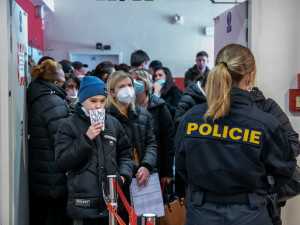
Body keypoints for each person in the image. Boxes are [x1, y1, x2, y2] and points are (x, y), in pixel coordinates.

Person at [175, 44, 296, 225]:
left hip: (202, 212)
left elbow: (182, 166)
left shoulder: (191, 119)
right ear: (250, 77)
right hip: (250, 214)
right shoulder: (265, 124)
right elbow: (284, 171)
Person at [55, 76, 133, 225]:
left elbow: (126, 153)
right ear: (82, 100)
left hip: (112, 203)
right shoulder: (67, 125)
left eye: (102, 101)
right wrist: (86, 138)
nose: (98, 106)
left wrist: (123, 176)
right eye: (93, 101)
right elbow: (63, 160)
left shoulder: (113, 123)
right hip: (83, 205)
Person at [105, 70, 157, 224]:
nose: (127, 89)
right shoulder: (106, 116)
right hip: (121, 178)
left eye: (130, 85)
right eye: (121, 86)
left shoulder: (143, 114)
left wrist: (146, 166)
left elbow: (151, 143)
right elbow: (113, 151)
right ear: (112, 92)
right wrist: (136, 169)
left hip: (144, 178)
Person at [27, 59, 72, 225]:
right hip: (54, 175)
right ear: (55, 82)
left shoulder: (37, 95)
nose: (65, 83)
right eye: (63, 80)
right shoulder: (53, 102)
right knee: (52, 217)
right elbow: (62, 140)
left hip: (41, 172)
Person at [131, 69, 174, 183]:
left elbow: (168, 141)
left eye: (138, 79)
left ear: (146, 83)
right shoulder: (127, 107)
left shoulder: (159, 106)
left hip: (156, 165)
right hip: (132, 167)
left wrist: (167, 172)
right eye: (132, 79)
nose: (135, 82)